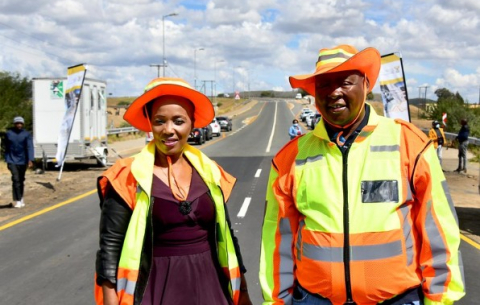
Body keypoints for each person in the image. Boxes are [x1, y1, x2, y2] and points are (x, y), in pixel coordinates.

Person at [259, 45, 465, 305]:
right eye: (324, 85)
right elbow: (276, 240)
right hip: (315, 299)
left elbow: (438, 230)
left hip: (397, 299)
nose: (334, 92)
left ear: (366, 85)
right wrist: (276, 301)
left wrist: (440, 298)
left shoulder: (409, 143)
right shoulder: (290, 159)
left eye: (345, 82)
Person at [94, 78, 252, 305]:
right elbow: (110, 246)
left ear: (192, 123)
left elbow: (227, 238)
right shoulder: (127, 175)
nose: (169, 130)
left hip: (211, 287)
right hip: (154, 288)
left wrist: (243, 293)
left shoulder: (210, 172)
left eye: (178, 121)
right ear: (150, 123)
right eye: (160, 121)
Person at [4, 116, 34, 208]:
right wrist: (7, 158)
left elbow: (29, 147)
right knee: (15, 179)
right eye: (17, 123)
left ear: (23, 124)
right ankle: (17, 200)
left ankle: (21, 198)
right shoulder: (9, 134)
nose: (19, 125)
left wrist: (30, 159)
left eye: (20, 123)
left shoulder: (26, 134)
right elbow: (6, 146)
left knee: (21, 180)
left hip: (23, 160)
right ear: (14, 124)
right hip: (11, 160)